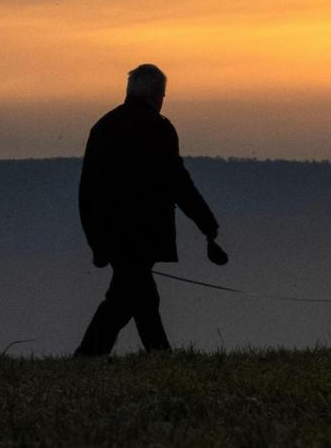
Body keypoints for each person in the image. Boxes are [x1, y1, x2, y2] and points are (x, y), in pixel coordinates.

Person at [74, 64, 222, 356]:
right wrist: (207, 223)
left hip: (111, 234)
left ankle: (157, 355)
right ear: (156, 95)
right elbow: (178, 182)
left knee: (138, 296)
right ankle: (89, 357)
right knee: (125, 299)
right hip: (145, 234)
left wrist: (95, 241)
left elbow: (87, 190)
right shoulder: (159, 129)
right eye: (163, 95)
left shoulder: (104, 127)